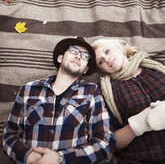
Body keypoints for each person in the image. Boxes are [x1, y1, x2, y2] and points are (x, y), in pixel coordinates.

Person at [2, 36, 116, 164]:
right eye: (74, 51)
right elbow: (9, 134)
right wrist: (28, 156)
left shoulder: (91, 92)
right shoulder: (28, 89)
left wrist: (61, 158)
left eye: (85, 56)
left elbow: (105, 142)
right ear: (60, 58)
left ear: (85, 69)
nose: (79, 56)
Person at [92, 38, 165, 163]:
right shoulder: (103, 91)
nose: (106, 59)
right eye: (100, 61)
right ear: (102, 69)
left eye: (107, 51)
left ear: (119, 47)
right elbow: (111, 141)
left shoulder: (158, 66)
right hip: (142, 156)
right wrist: (142, 122)